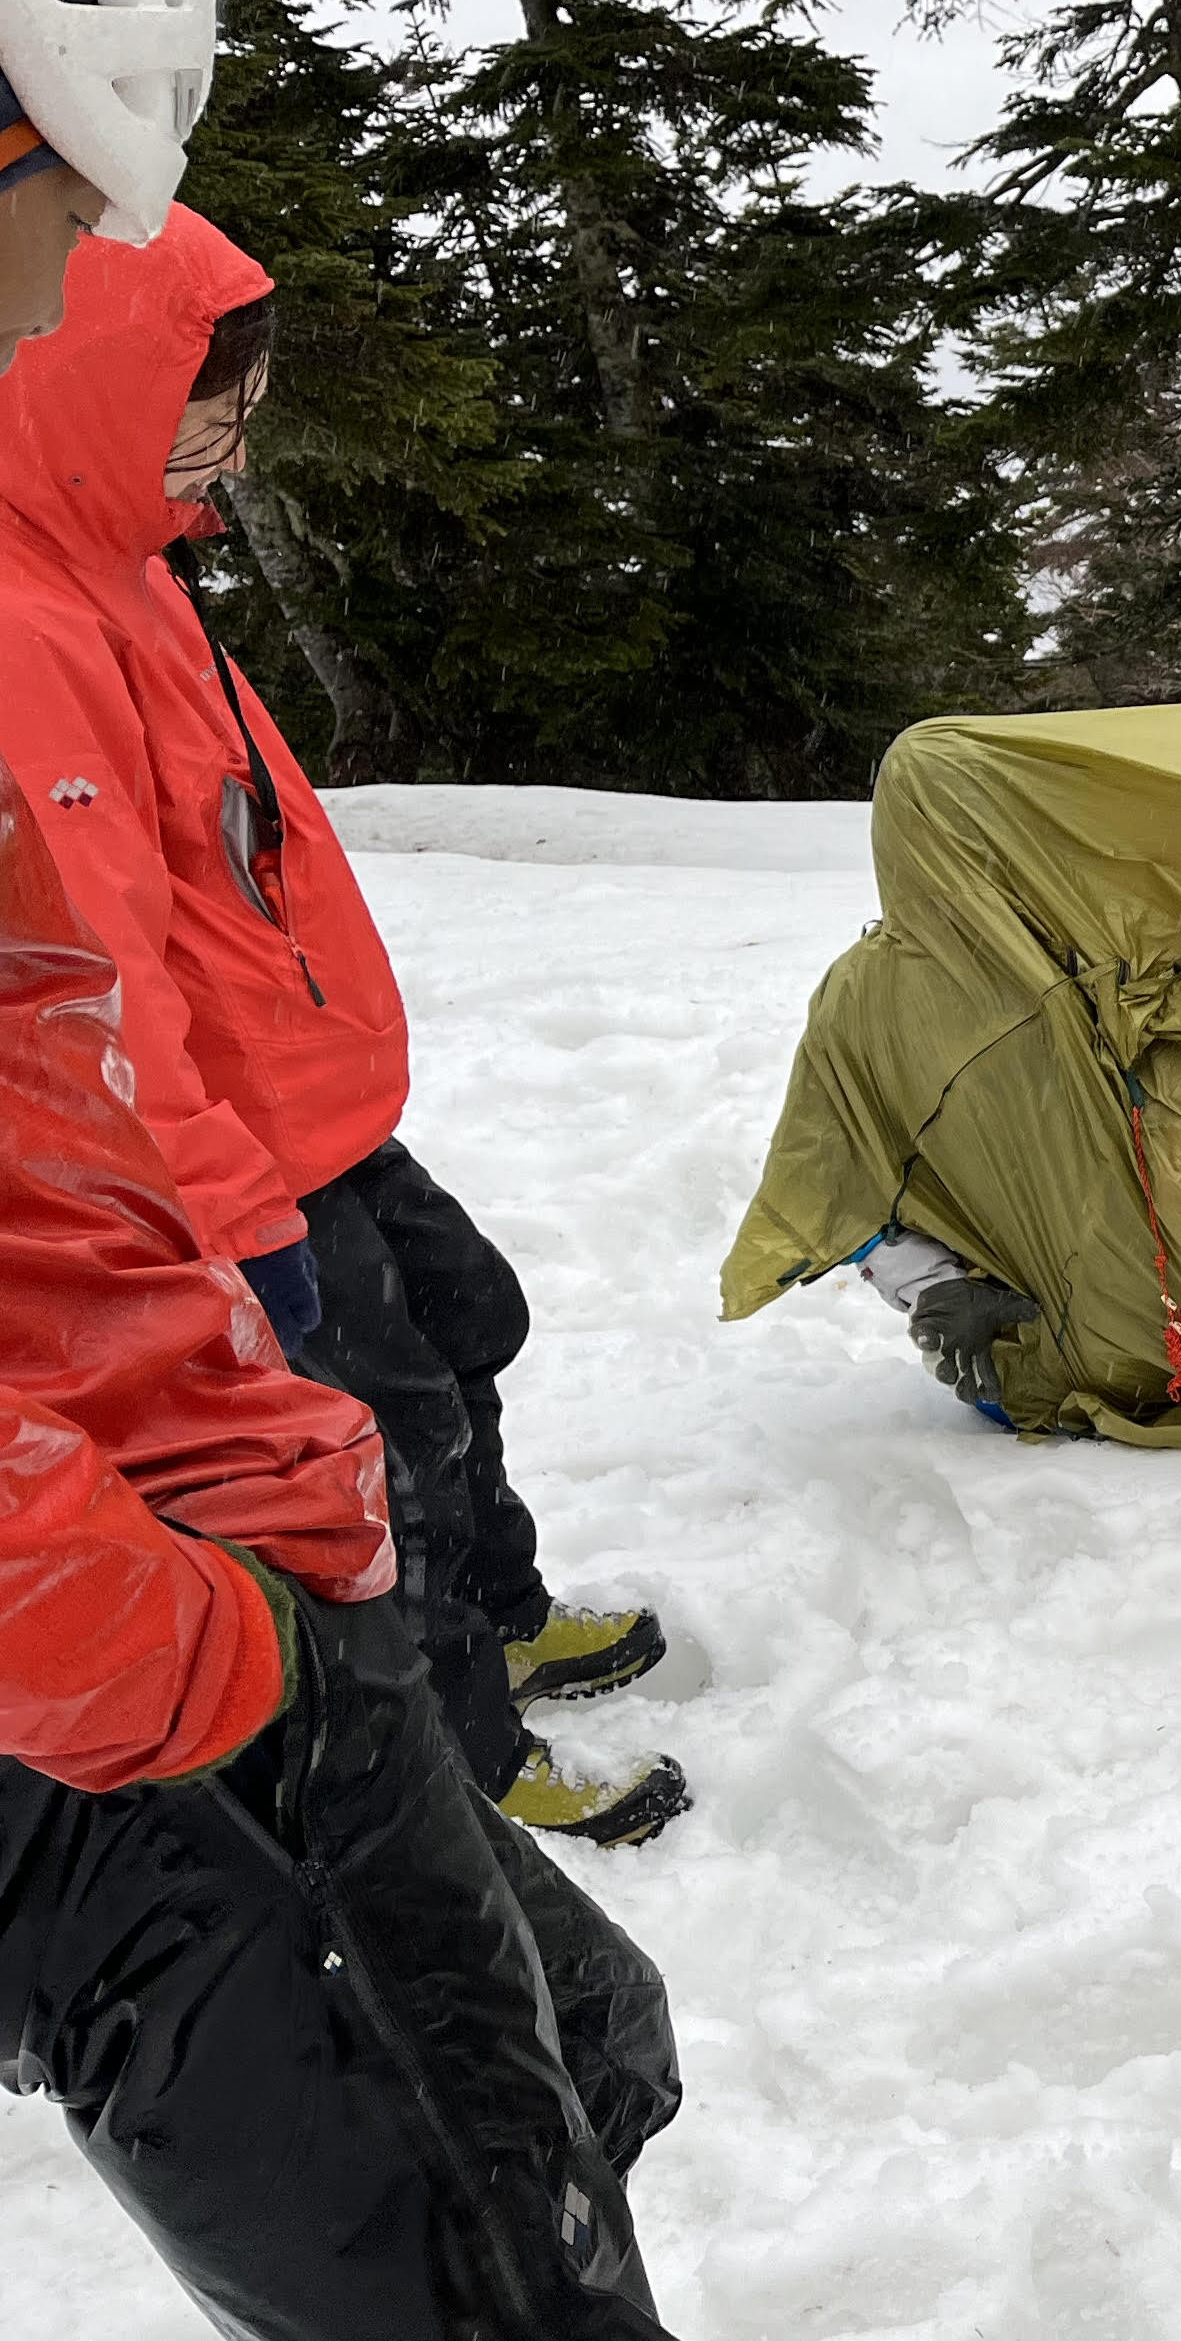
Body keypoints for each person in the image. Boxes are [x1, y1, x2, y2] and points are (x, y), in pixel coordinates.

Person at [0, 0, 732, 2341]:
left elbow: (75, 1122)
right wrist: (168, 1626)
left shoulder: (66, 576)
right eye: (82, 208)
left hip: (174, 1578)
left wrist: (266, 1474)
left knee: (585, 2062)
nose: (128, 271)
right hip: (85, 1681)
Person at [0, 201, 689, 1840]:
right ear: (78, 382)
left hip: (313, 1111)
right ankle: (460, 1744)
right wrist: (232, 1226)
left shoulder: (136, 564)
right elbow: (93, 980)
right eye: (199, 393)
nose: (234, 429)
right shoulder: (30, 630)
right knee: (388, 1448)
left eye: (239, 388)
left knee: (467, 1329)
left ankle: (501, 1627)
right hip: (227, 1167)